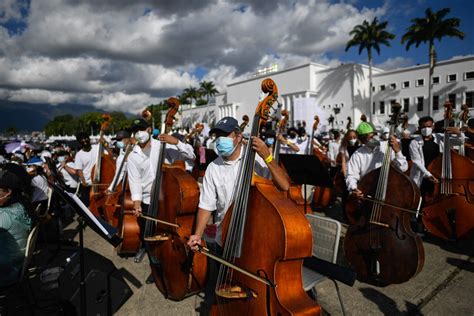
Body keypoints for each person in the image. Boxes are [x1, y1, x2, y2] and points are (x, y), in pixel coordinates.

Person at [186, 117, 290, 314]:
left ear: (238, 136)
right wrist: (198, 235)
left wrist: (268, 156)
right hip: (224, 237)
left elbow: (284, 186)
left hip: (255, 239)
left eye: (225, 135)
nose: (219, 140)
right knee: (225, 289)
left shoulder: (256, 159)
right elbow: (206, 205)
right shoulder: (213, 168)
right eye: (217, 136)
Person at [127, 118, 195, 263]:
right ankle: (155, 265)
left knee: (170, 235)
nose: (138, 133)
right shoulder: (133, 156)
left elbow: (191, 156)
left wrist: (176, 142)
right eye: (135, 131)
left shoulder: (162, 146)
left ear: (149, 130)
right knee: (151, 237)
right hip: (147, 201)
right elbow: (135, 181)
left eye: (141, 129)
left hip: (168, 199)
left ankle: (175, 261)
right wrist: (136, 203)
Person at [346, 122, 408, 201]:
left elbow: (403, 168)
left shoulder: (388, 146)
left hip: (390, 191)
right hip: (369, 193)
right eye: (369, 137)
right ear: (362, 140)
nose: (374, 139)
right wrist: (354, 189)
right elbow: (351, 175)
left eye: (373, 135)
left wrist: (397, 151)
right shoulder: (357, 154)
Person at [409, 116, 465, 192]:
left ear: (433, 126)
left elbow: (459, 142)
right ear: (419, 128)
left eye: (428, 126)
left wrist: (459, 134)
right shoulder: (414, 143)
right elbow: (417, 161)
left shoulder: (440, 137)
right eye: (423, 127)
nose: (426, 129)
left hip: (440, 174)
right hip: (423, 175)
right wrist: (428, 175)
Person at [0, 170, 32, 287]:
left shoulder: (3, 216)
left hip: (8, 271)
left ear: (8, 192)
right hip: (19, 261)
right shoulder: (20, 205)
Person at [73, 133, 99, 207]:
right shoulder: (79, 155)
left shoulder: (96, 147)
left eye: (86, 138)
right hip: (87, 183)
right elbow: (79, 170)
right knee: (87, 204)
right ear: (79, 142)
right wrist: (83, 181)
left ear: (89, 139)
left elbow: (109, 154)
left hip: (97, 181)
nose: (84, 141)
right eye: (82, 140)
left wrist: (104, 143)